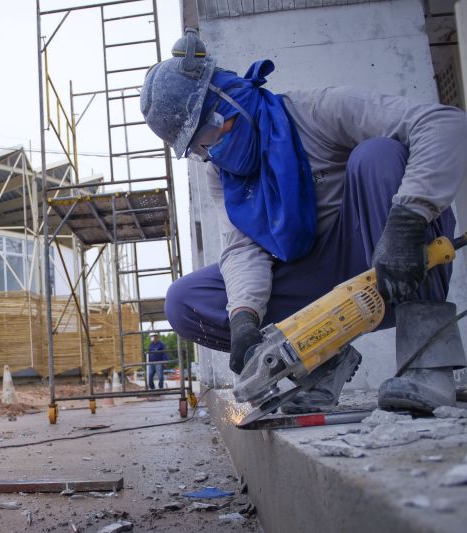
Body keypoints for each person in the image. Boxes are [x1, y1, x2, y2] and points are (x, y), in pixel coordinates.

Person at [139, 30, 467, 414]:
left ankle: (427, 365)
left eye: (208, 133)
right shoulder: (221, 174)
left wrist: (408, 220)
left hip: (393, 259)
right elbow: (244, 247)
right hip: (317, 280)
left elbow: (443, 124)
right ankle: (322, 363)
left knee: (379, 155)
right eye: (199, 148)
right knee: (186, 301)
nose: (211, 151)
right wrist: (244, 317)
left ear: (229, 98)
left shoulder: (319, 111)